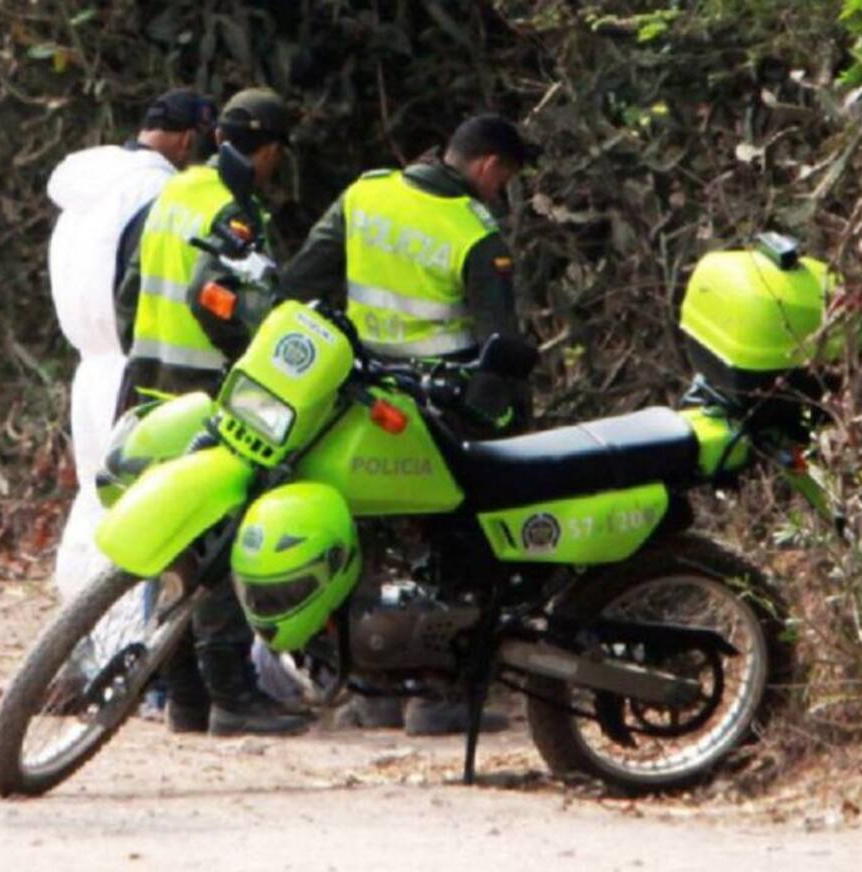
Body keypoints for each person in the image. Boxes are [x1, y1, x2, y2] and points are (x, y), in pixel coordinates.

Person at [277, 113, 538, 735]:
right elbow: (496, 342)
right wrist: (496, 423)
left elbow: (300, 282)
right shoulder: (474, 231)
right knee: (456, 539)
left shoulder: (364, 195)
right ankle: (438, 696)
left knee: (359, 535)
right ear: (489, 168)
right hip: (436, 402)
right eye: (503, 181)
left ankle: (368, 691)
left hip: (355, 394)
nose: (498, 193)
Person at [117, 87, 311, 738]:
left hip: (151, 389)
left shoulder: (175, 192)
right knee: (218, 548)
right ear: (270, 150)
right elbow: (216, 298)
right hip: (208, 395)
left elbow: (128, 291)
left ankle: (185, 698)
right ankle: (231, 694)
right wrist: (253, 364)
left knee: (175, 546)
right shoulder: (233, 207)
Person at [48, 88, 216, 604]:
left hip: (89, 365)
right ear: (188, 141)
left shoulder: (87, 190)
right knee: (145, 516)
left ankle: (83, 651)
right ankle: (132, 653)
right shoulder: (155, 195)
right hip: (131, 366)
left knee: (99, 507)